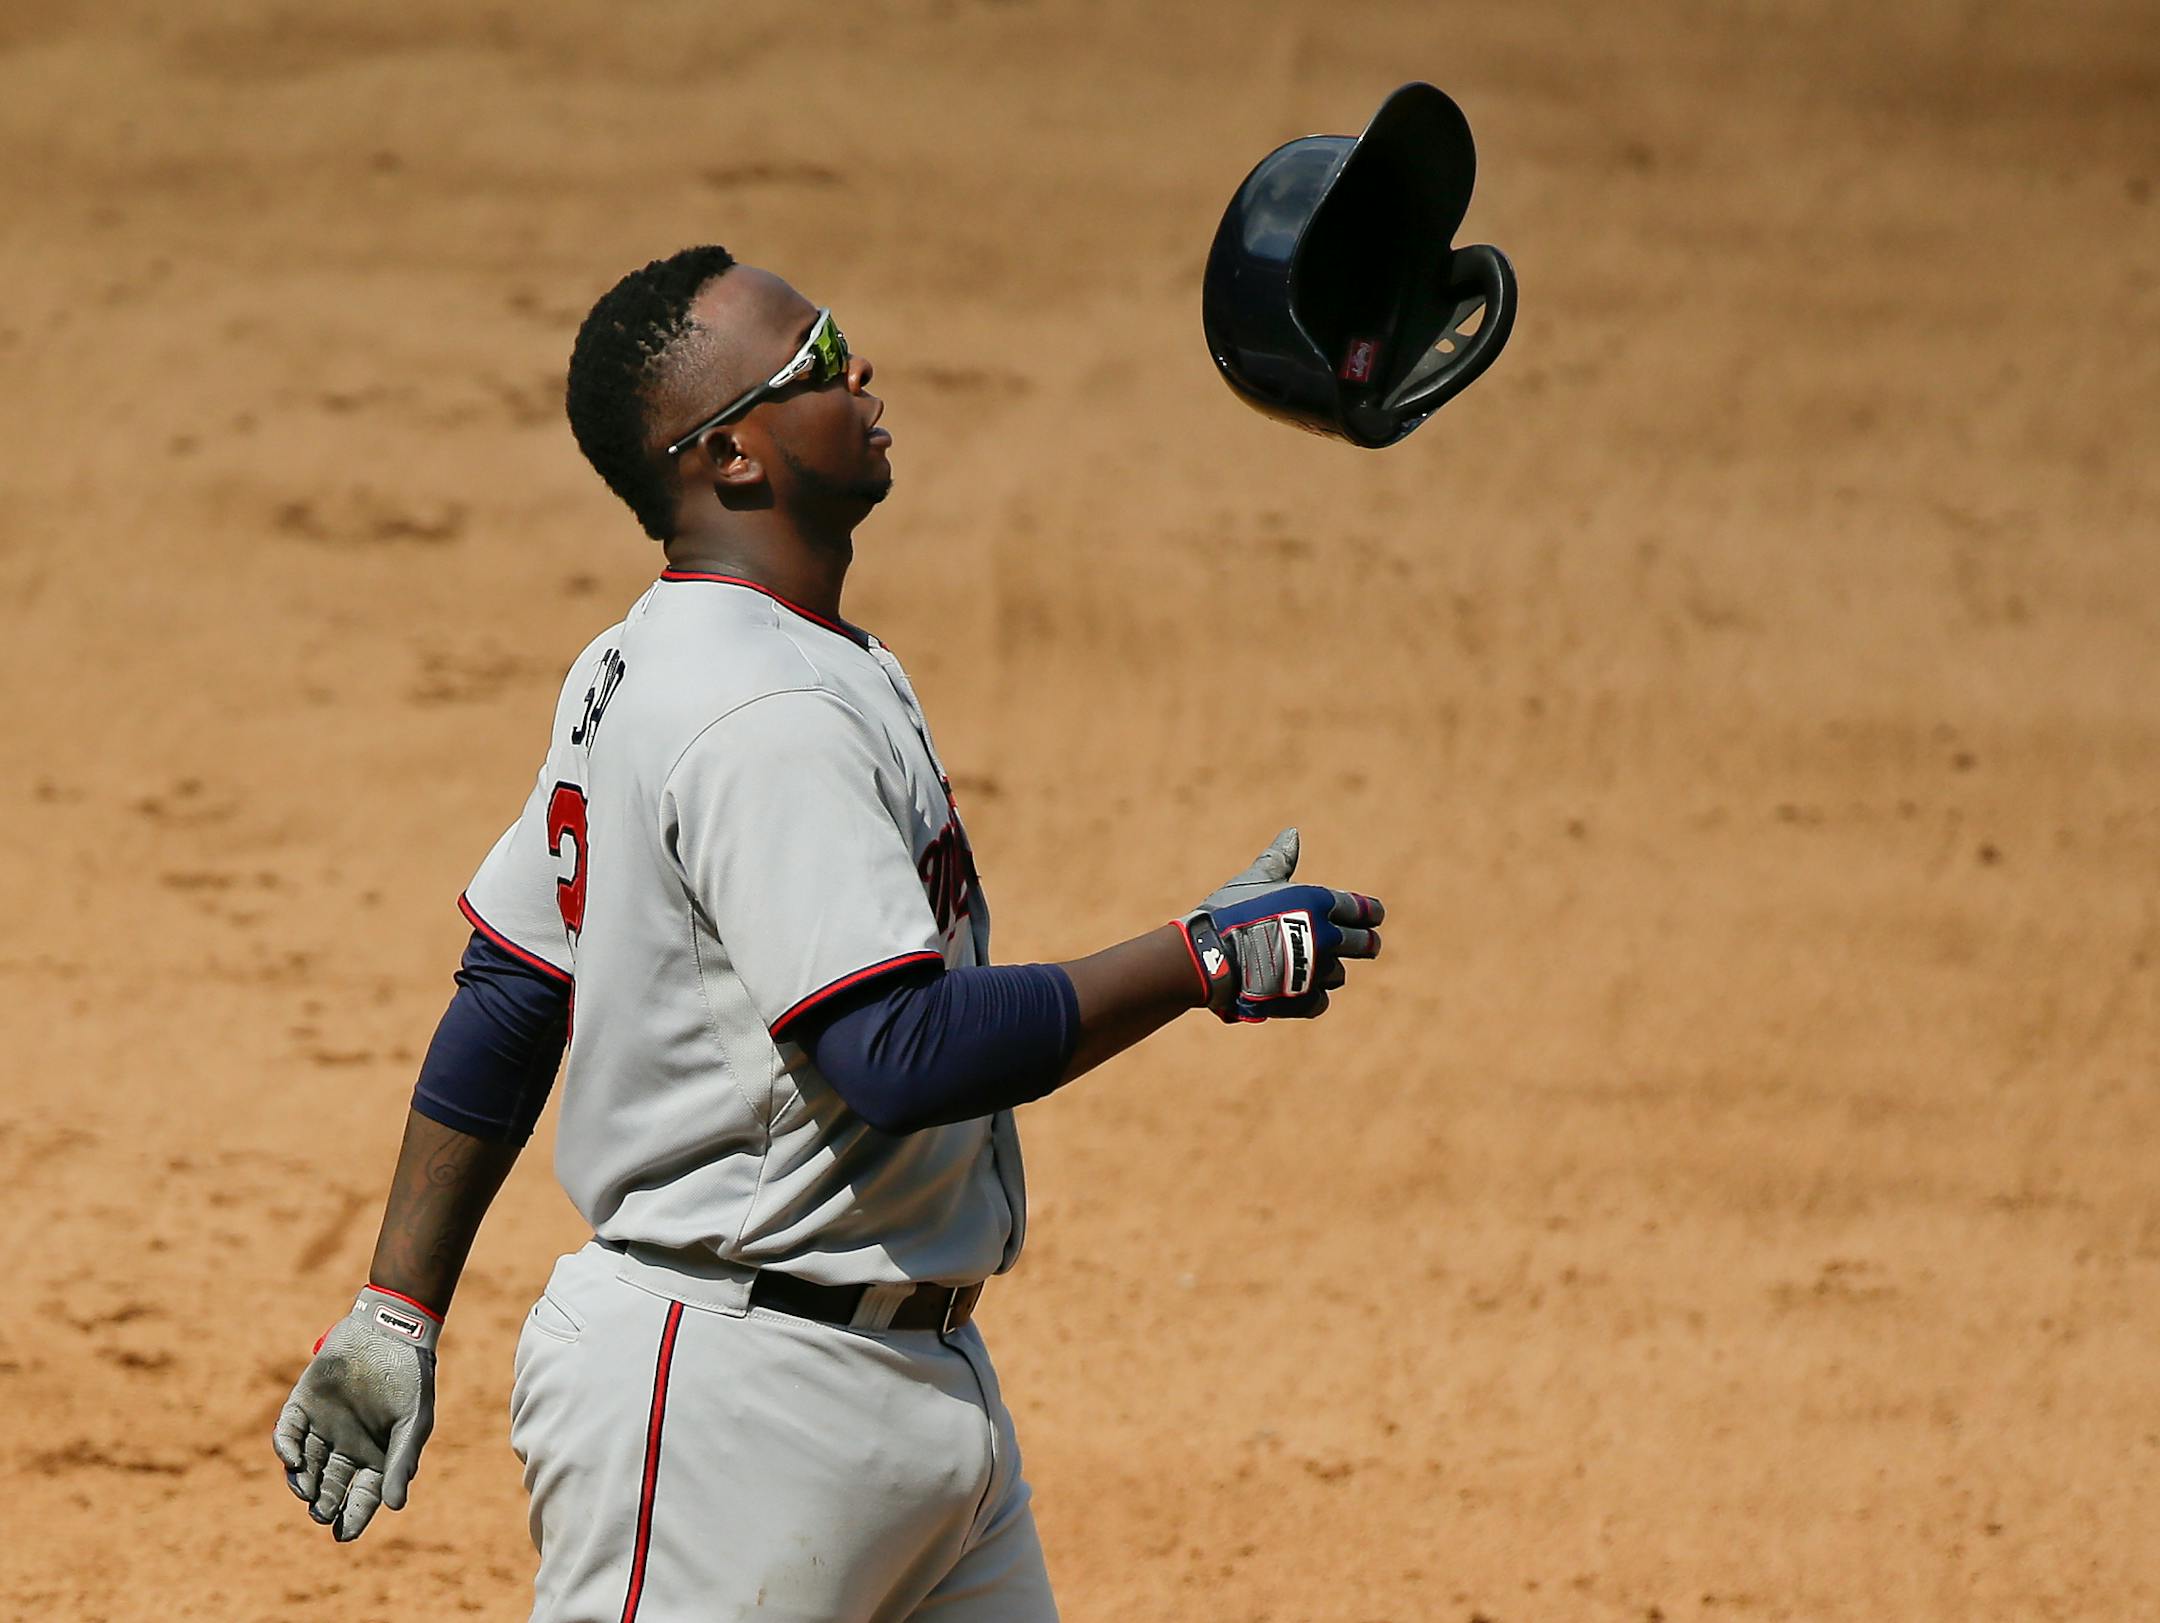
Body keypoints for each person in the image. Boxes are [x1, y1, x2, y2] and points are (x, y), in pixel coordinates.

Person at [272, 243, 1386, 1622]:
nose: (862, 372)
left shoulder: (666, 655)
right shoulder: (758, 712)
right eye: (819, 361)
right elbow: (896, 1053)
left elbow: (515, 985)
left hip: (913, 1400)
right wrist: (1199, 959)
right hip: (733, 1418)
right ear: (731, 456)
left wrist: (398, 1309)